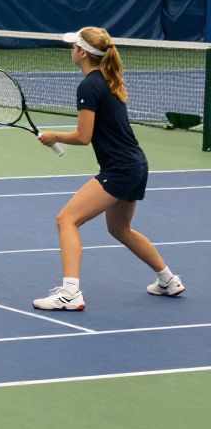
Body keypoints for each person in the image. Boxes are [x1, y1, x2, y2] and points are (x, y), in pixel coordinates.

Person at [33, 27, 184, 310]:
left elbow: (83, 136)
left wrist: (54, 136)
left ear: (81, 52)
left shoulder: (89, 86)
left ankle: (70, 293)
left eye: (73, 46)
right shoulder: (107, 79)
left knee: (66, 220)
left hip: (120, 169)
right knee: (119, 228)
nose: (71, 50)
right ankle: (168, 280)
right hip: (136, 165)